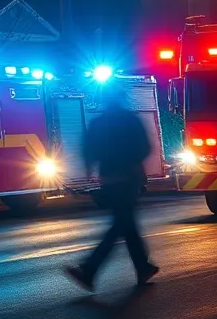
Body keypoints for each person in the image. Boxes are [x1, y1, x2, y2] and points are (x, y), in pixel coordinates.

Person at [65, 85, 159, 290]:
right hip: (128, 179)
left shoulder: (98, 123)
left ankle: (90, 270)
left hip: (109, 180)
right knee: (124, 224)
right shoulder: (130, 120)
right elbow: (145, 147)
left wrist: (91, 173)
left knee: (122, 224)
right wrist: (133, 165)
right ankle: (141, 267)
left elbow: (88, 150)